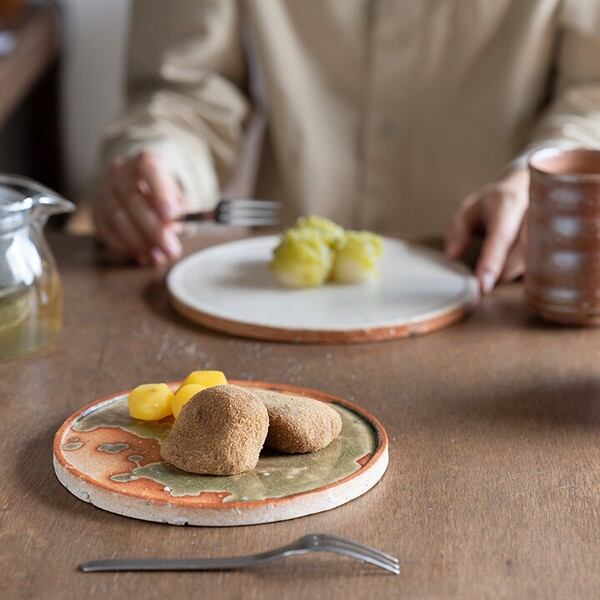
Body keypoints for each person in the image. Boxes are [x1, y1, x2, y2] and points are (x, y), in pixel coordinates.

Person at [93, 0, 600, 293]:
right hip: (277, 292)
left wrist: (547, 179)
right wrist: (160, 169)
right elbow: (183, 88)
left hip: (501, 283)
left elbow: (591, 94)